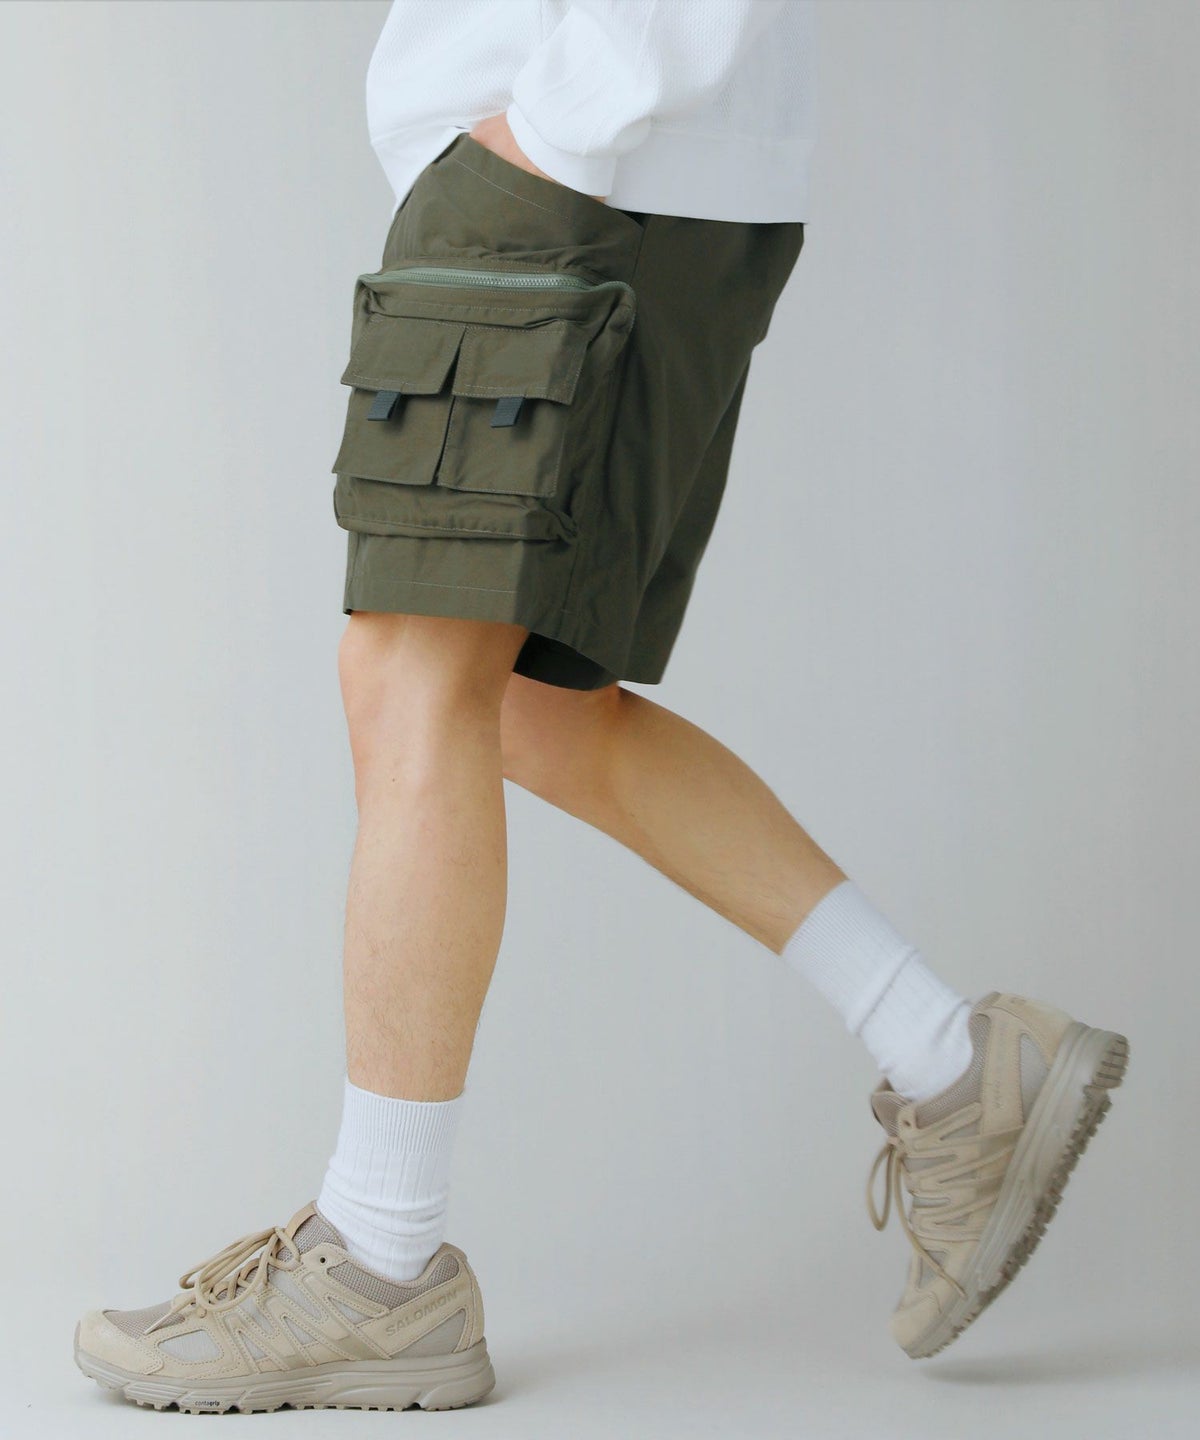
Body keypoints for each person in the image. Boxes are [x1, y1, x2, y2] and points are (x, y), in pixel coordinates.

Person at [74, 0, 1127, 1413]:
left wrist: (570, 114)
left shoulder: (581, 132)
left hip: (580, 175)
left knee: (415, 679)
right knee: (517, 703)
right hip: (605, 173)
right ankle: (953, 1060)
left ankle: (378, 1266)